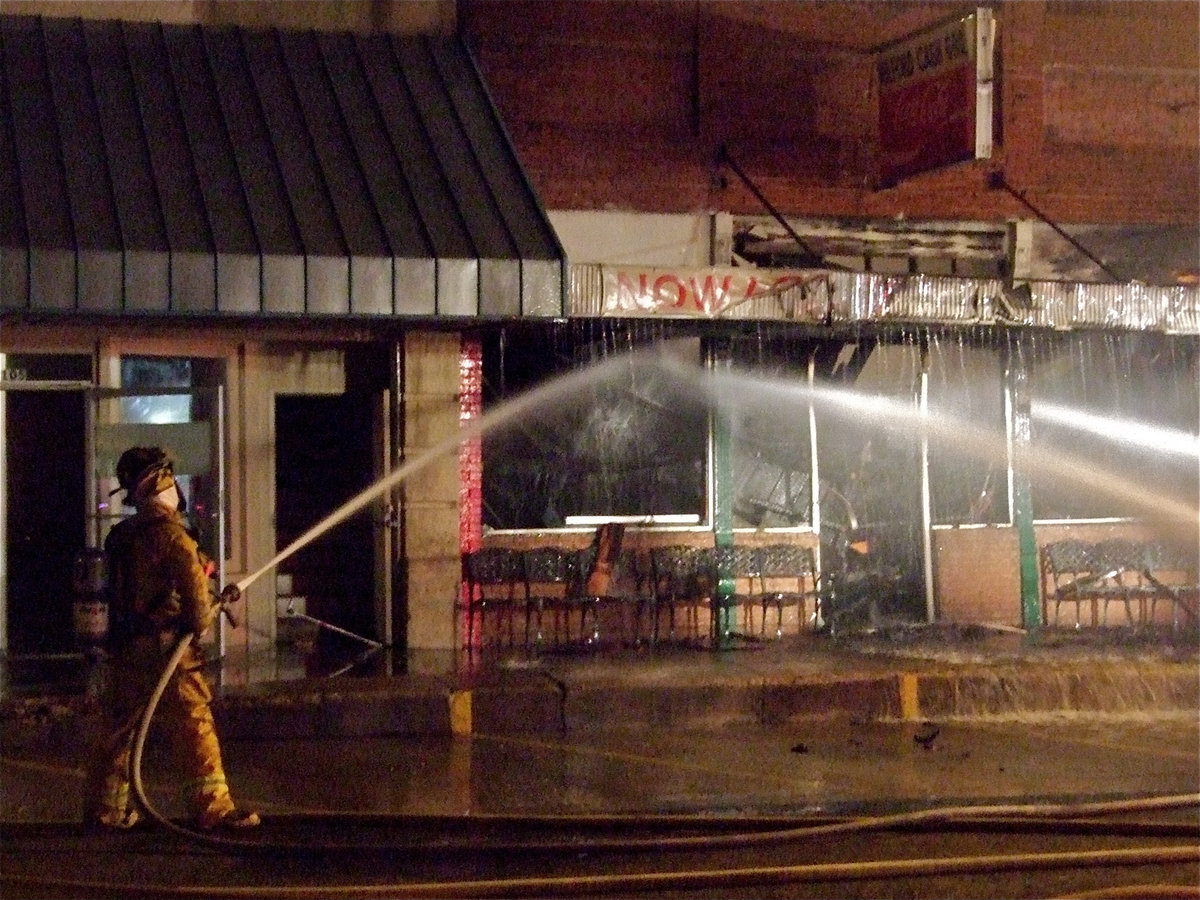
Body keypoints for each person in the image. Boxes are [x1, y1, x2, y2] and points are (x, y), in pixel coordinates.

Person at [83, 447, 260, 831]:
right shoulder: (175, 538)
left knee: (120, 730)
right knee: (195, 724)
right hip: (169, 653)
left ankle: (107, 811)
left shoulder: (121, 537)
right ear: (162, 483)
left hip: (126, 651)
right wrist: (211, 606)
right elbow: (198, 618)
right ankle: (213, 810)